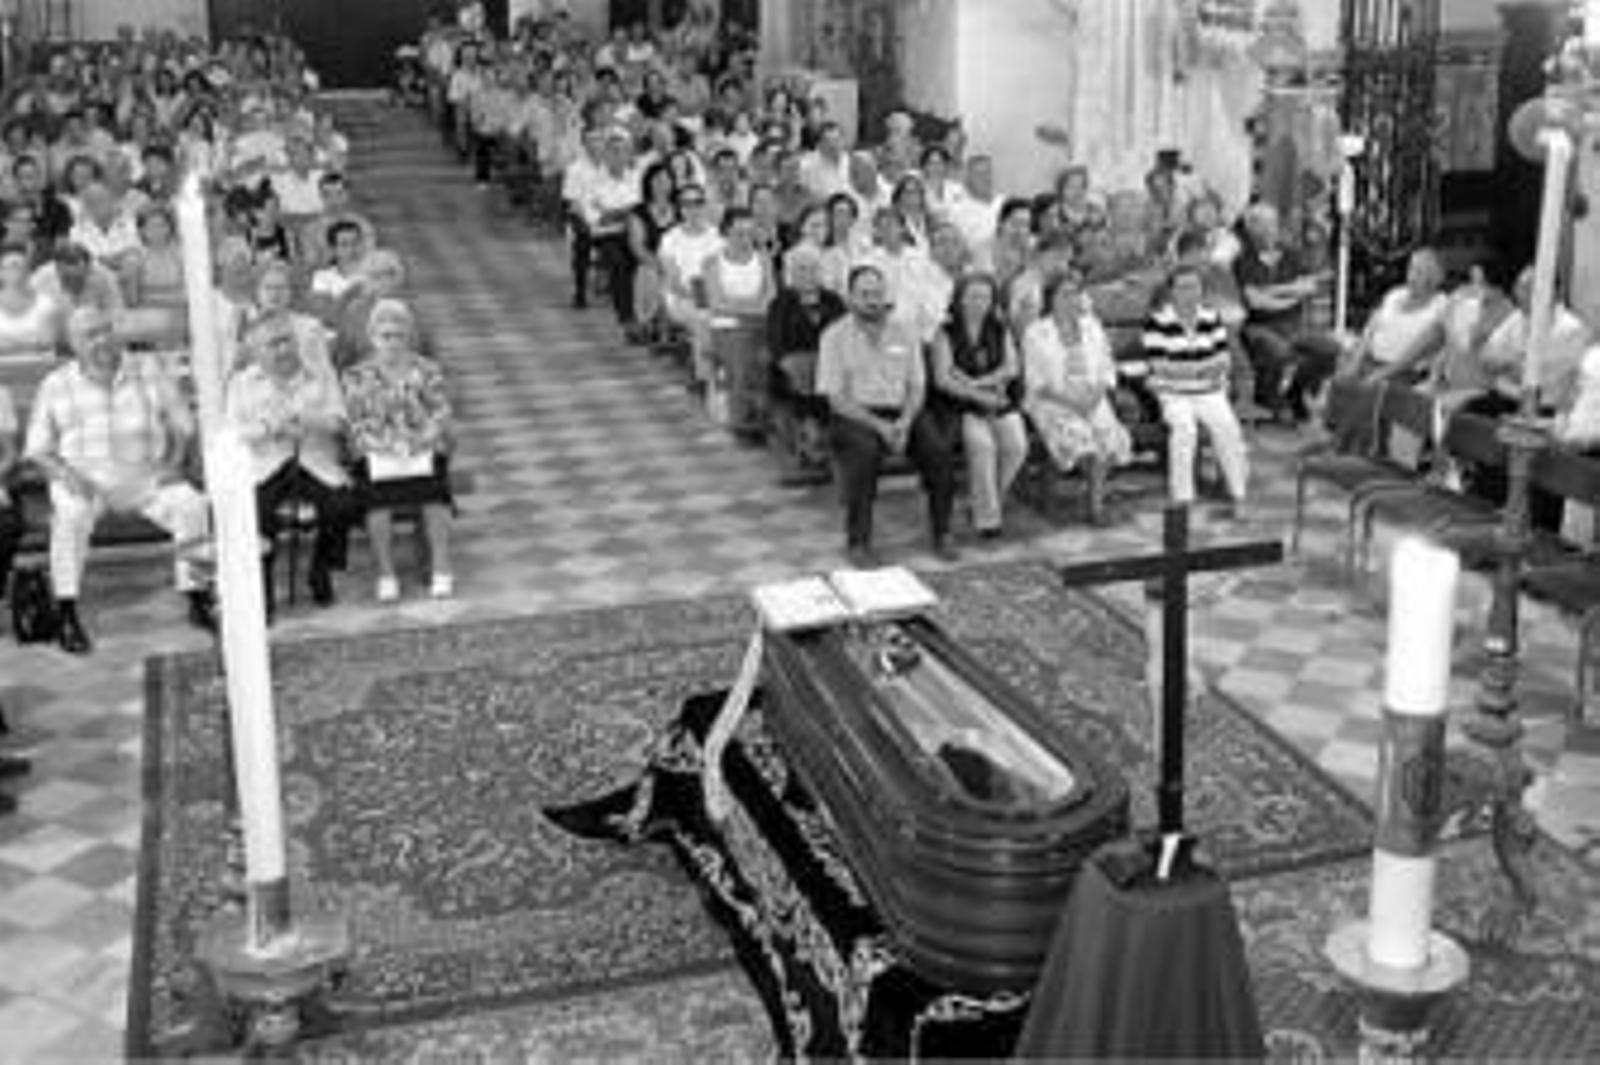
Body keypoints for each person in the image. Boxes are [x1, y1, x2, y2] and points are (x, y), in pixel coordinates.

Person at [23, 306, 214, 654]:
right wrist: (65, 473)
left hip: (147, 476)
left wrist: (174, 463)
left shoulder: (148, 369)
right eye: (88, 335)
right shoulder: (56, 384)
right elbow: (37, 449)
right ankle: (66, 610)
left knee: (191, 505)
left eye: (104, 330)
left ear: (116, 331)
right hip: (85, 479)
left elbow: (184, 423)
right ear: (73, 344)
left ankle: (198, 597)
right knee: (71, 515)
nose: (100, 341)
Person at [816, 264, 957, 565]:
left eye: (877, 293)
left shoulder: (905, 331)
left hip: (903, 410)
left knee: (939, 450)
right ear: (850, 298)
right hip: (855, 415)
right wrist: (880, 426)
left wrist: (905, 422)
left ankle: (943, 533)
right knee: (864, 454)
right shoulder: (833, 336)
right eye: (864, 294)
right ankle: (858, 542)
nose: (872, 300)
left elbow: (917, 386)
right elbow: (836, 399)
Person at [226, 316, 355, 610]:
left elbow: (340, 421)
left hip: (313, 460)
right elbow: (233, 434)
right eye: (273, 344)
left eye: (288, 341)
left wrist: (312, 421)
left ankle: (320, 570)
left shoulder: (321, 375)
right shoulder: (241, 383)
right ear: (256, 351)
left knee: (342, 506)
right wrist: (269, 426)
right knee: (256, 514)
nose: (283, 349)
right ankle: (263, 585)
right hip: (265, 465)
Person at [341, 299, 454, 602]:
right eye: (385, 335)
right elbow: (355, 422)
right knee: (378, 503)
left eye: (398, 334)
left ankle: (442, 568)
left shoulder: (427, 368)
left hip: (422, 447)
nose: (392, 342)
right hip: (379, 453)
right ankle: (386, 573)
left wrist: (423, 438)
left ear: (409, 335)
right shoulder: (355, 375)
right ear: (372, 337)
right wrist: (387, 445)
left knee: (435, 495)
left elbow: (441, 411)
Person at [1023, 270, 1132, 525]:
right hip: (1053, 400)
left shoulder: (1092, 325)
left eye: (1076, 294)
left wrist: (1094, 396)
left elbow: (1107, 367)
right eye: (1065, 294)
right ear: (1051, 299)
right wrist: (1072, 401)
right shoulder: (1036, 332)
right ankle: (1095, 504)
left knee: (1110, 438)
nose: (1071, 299)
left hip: (1092, 396)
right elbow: (1037, 382)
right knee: (1083, 441)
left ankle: (1094, 501)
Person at [1142, 262, 1249, 513]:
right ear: (1172, 292)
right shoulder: (1157, 321)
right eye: (1183, 287)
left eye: (1195, 287)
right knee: (1184, 428)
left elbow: (1224, 359)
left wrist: (1190, 368)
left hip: (1210, 390)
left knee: (1227, 428)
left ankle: (1238, 495)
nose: (1190, 293)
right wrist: (1201, 367)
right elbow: (1160, 366)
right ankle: (1183, 498)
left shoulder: (1210, 317)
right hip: (1173, 393)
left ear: (1202, 290)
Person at [929, 272, 1028, 540]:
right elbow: (943, 379)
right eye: (972, 295)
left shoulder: (999, 327)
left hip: (998, 399)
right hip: (961, 406)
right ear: (960, 299)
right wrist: (978, 395)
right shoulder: (945, 331)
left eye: (985, 296)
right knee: (983, 446)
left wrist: (980, 381)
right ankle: (988, 520)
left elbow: (1012, 366)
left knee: (1016, 446)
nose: (979, 302)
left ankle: (985, 500)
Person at [1234, 203, 1339, 421]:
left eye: (1273, 223)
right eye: (1264, 224)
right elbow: (1257, 303)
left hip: (1293, 323)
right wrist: (1293, 293)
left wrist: (1273, 290)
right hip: (1258, 325)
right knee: (1279, 352)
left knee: (1330, 349)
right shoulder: (1243, 260)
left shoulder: (1291, 254)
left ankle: (1295, 392)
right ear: (1252, 229)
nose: (1271, 229)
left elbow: (1309, 287)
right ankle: (1266, 398)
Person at [766, 244, 848, 481]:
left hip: (830, 367)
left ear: (820, 271)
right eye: (801, 269)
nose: (807, 274)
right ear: (791, 273)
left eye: (813, 268)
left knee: (830, 379)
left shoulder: (834, 301)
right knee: (804, 375)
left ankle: (824, 443)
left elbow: (846, 335)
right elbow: (776, 343)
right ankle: (813, 442)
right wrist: (796, 365)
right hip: (792, 369)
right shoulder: (780, 303)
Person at [703, 207, 775, 437]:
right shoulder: (712, 262)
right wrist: (751, 308)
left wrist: (741, 307)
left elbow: (770, 299)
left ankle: (767, 409)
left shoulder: (763, 259)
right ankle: (741, 414)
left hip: (760, 323)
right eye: (738, 233)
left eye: (749, 232)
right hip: (726, 326)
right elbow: (717, 302)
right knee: (741, 346)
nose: (745, 239)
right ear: (725, 233)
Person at [1344, 247, 1447, 383]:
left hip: (1404, 373)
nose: (1412, 276)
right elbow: (1370, 330)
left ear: (1434, 278)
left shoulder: (1440, 305)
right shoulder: (1395, 294)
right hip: (1370, 363)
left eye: (1420, 272)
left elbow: (1417, 353)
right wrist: (1354, 363)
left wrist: (1379, 375)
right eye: (1411, 268)